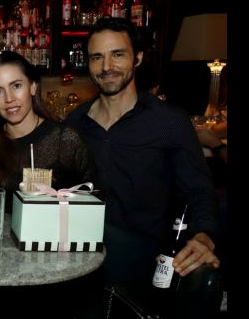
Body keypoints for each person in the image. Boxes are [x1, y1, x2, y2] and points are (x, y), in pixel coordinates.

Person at [65, 17, 220, 287]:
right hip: (81, 267)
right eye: (96, 57)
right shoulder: (75, 123)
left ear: (137, 58)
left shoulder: (169, 122)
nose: (106, 67)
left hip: (144, 269)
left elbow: (199, 190)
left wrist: (204, 235)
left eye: (117, 55)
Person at [0, 51, 93, 205]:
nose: (9, 99)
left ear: (33, 87)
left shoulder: (65, 141)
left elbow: (93, 198)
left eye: (16, 86)